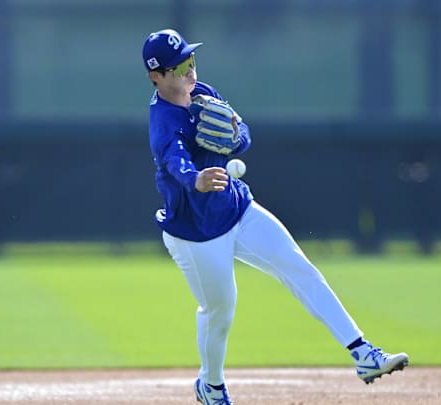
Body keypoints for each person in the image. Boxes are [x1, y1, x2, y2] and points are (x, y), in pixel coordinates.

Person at [142, 28, 408, 404]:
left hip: (237, 209)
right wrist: (196, 178)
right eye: (180, 65)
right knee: (220, 310)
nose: (190, 70)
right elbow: (175, 161)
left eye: (191, 60)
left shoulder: (203, 93)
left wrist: (235, 135)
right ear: (157, 76)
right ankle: (211, 385)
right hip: (195, 233)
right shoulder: (164, 121)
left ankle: (362, 353)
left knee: (299, 267)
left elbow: (244, 134)